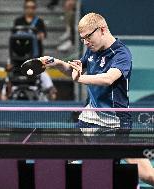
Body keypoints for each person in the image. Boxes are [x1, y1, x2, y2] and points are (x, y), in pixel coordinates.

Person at [41, 12, 154, 186]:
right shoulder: (91, 50)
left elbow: (108, 78)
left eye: (87, 37)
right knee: (64, 158)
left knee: (147, 175)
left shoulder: (121, 54)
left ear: (102, 30)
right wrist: (55, 63)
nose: (85, 42)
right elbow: (75, 70)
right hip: (90, 116)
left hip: (114, 123)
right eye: (82, 39)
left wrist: (79, 79)